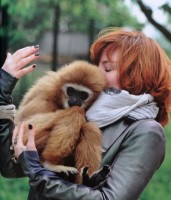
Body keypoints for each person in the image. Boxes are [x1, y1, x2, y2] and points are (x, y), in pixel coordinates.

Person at [0, 28, 171, 200]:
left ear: (135, 76)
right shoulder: (88, 107)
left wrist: (38, 173)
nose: (97, 73)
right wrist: (2, 92)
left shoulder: (146, 132)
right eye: (98, 65)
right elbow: (10, 165)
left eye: (108, 68)